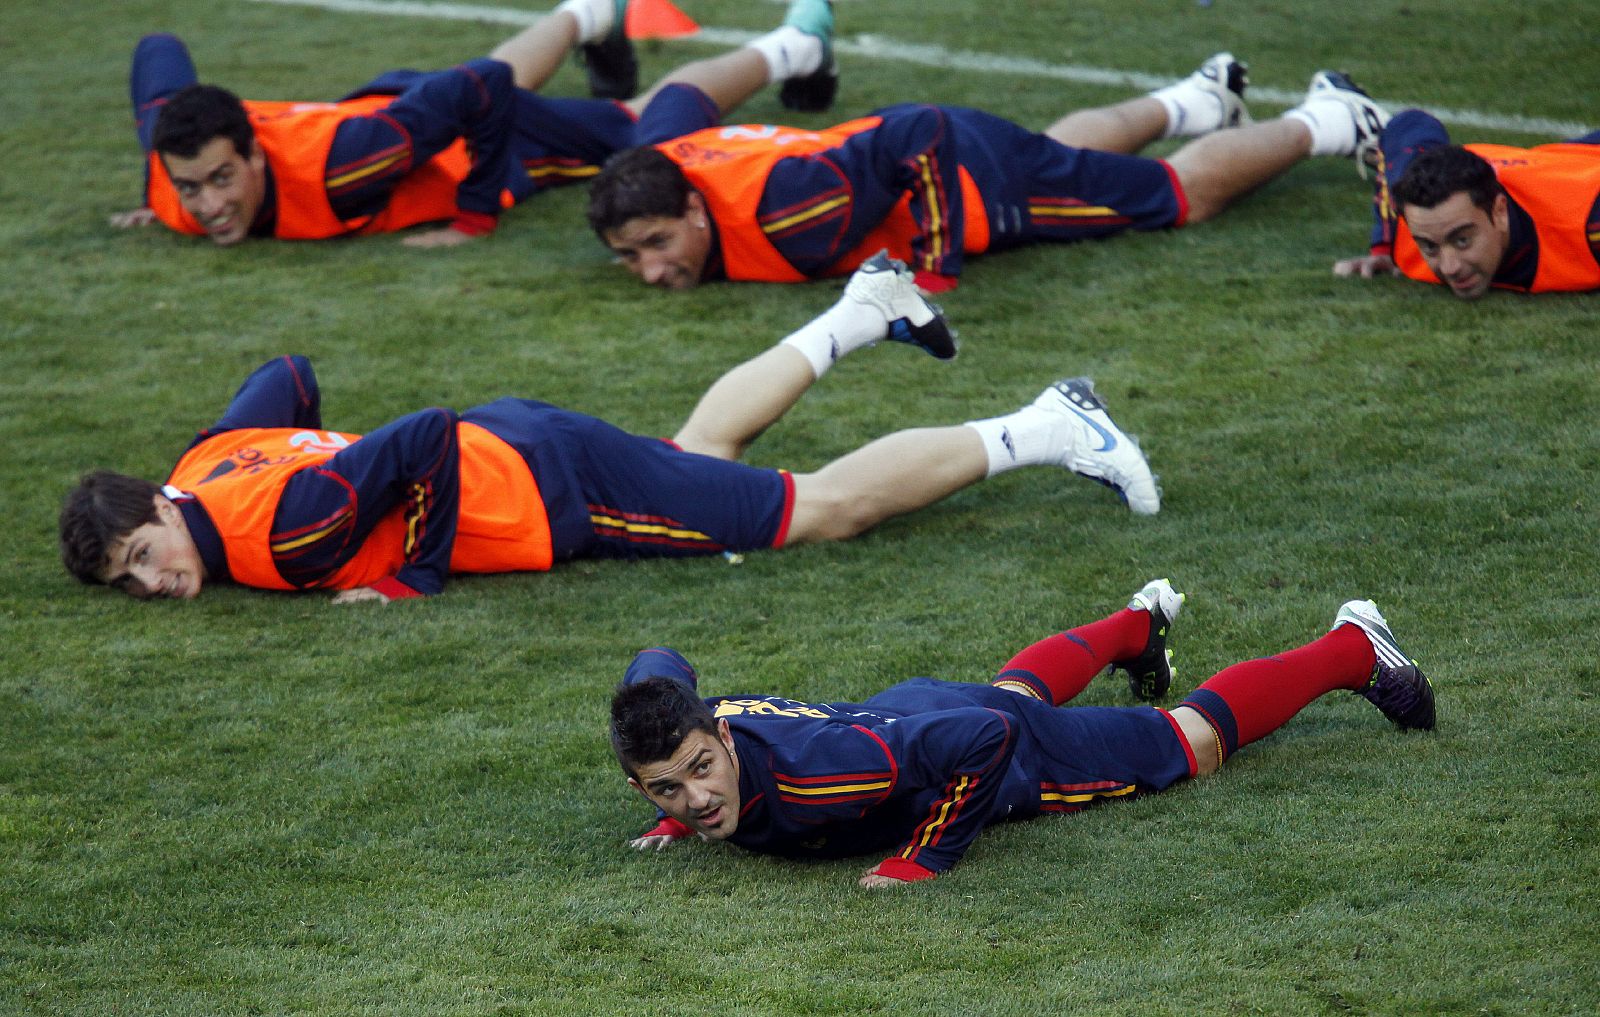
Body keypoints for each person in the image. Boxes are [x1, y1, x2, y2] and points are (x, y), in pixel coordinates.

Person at [59, 255, 1162, 604]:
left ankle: (1047, 426)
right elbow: (285, 374)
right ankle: (861, 310)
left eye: (144, 553)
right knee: (699, 463)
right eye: (130, 578)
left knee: (814, 513)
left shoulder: (281, 541)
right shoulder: (203, 464)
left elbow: (423, 434)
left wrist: (416, 576)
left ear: (162, 508)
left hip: (551, 487)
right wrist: (323, 447)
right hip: (529, 445)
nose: (153, 581)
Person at [609, 580, 1436, 888]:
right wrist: (675, 813)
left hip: (983, 751)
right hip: (904, 711)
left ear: (719, 730)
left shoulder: (825, 777)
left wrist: (924, 855)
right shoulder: (671, 717)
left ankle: (1353, 645)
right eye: (669, 786)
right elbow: (656, 663)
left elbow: (978, 739)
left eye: (701, 770)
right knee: (1010, 691)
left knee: (1188, 743)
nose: (700, 793)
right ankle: (1137, 625)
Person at [586, 58, 1390, 291]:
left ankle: (1328, 118)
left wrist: (934, 271)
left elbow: (920, 132)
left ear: (696, 207)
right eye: (629, 256)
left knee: (1175, 197)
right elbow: (682, 92)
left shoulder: (786, 217)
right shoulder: (656, 152)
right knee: (1058, 153)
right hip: (934, 148)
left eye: (657, 244)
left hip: (969, 180)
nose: (651, 270)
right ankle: (1196, 100)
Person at [112, 0, 839, 248]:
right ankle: (589, 14)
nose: (205, 205)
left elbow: (485, 88)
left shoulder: (346, 169)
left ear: (257, 158)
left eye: (220, 179)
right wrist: (161, 194)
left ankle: (796, 44)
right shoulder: (168, 158)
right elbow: (157, 48)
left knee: (636, 137)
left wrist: (474, 217)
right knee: (475, 84)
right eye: (189, 188)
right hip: (401, 112)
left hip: (466, 137)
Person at [1332, 109, 1600, 299]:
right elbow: (1410, 123)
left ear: (1500, 212)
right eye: (1430, 246)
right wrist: (1384, 245)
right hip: (1560, 162)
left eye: (1462, 241)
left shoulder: (1586, 225)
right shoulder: (1410, 215)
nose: (1449, 267)